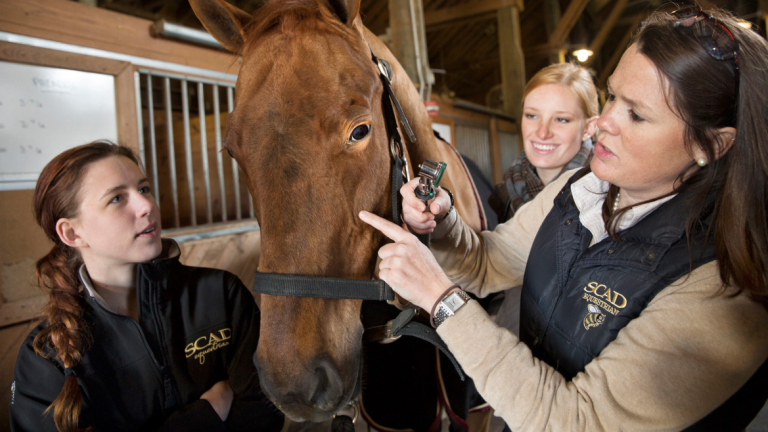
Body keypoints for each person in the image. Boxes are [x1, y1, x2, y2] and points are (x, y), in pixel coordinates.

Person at [359, 7, 768, 431]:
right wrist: (443, 223)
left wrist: (442, 301)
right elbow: (487, 263)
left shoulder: (725, 285)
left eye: (637, 114)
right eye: (612, 97)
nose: (602, 123)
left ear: (713, 145)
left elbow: (575, 421)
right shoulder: (582, 188)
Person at [10, 142, 284, 432]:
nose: (147, 206)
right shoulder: (45, 356)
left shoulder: (220, 294)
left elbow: (264, 413)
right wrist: (206, 414)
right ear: (72, 232)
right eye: (116, 198)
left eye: (143, 189)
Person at [488, 62, 599, 223]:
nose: (542, 132)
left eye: (561, 119)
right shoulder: (505, 194)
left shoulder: (610, 194)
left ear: (588, 128)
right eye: (532, 116)